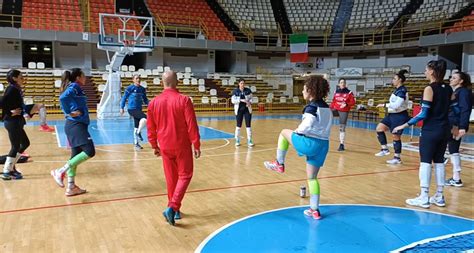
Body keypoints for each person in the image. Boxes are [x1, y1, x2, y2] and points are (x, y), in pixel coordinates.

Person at [264, 75, 332, 220]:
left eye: (304, 89)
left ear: (310, 90)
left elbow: (307, 125)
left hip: (311, 143)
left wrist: (297, 132)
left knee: (283, 133)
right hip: (323, 145)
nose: (302, 91)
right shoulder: (327, 107)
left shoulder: (311, 107)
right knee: (312, 178)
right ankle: (315, 210)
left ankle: (279, 163)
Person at [393, 60, 457, 208]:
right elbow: (456, 110)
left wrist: (404, 124)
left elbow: (423, 113)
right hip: (444, 130)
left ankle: (424, 196)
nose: (425, 72)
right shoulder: (449, 89)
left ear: (432, 72)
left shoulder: (429, 88)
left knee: (426, 162)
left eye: (426, 70)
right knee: (439, 162)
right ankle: (439, 196)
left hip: (431, 130)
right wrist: (456, 125)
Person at [147, 70, 201, 226]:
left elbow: (151, 127)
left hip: (164, 146)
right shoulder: (184, 100)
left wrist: (153, 145)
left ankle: (175, 210)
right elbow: (192, 125)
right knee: (185, 175)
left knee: (171, 178)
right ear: (177, 82)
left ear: (163, 83)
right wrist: (196, 144)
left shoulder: (153, 103)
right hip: (181, 145)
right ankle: (173, 207)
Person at [50, 68, 95, 196]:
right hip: (76, 125)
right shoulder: (75, 86)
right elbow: (63, 97)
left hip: (75, 125)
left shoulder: (76, 87)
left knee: (74, 156)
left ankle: (71, 187)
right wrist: (68, 113)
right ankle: (60, 171)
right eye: (84, 76)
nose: (85, 78)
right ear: (78, 77)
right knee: (90, 151)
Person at [374, 69, 410, 164]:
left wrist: (384, 105)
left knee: (396, 136)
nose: (392, 80)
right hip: (391, 115)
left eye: (394, 78)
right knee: (379, 129)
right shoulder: (397, 90)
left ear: (400, 80)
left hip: (399, 116)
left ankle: (397, 158)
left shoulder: (402, 91)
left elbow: (396, 105)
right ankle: (384, 149)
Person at [1, 69, 30, 180]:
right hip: (12, 122)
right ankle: (7, 171)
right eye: (21, 77)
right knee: (15, 146)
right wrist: (10, 112)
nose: (23, 78)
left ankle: (11, 167)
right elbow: (2, 102)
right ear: (14, 78)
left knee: (25, 143)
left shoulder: (16, 89)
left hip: (16, 121)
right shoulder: (11, 89)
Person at [445, 71, 472, 187]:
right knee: (453, 149)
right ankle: (456, 178)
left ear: (461, 81)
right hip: (451, 122)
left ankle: (455, 177)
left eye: (454, 78)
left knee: (452, 148)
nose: (451, 79)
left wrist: (462, 127)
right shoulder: (456, 91)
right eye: (451, 77)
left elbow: (465, 110)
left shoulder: (464, 92)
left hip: (455, 124)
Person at [120, 74, 149, 151]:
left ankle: (136, 144)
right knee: (145, 118)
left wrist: (151, 105)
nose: (138, 80)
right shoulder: (130, 88)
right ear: (133, 80)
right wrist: (122, 107)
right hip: (132, 109)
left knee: (136, 126)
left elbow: (145, 100)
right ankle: (138, 133)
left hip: (139, 109)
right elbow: (124, 98)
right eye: (136, 78)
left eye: (139, 78)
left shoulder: (142, 89)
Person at [330, 78, 356, 151]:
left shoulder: (349, 92)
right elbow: (333, 101)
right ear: (339, 84)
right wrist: (329, 108)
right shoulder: (336, 91)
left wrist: (347, 104)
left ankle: (341, 144)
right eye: (341, 82)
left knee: (342, 127)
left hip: (343, 110)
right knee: (326, 114)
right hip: (335, 109)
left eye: (344, 82)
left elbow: (353, 102)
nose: (343, 84)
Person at [231, 79, 254, 147]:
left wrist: (249, 102)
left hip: (247, 110)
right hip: (239, 110)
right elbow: (233, 101)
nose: (242, 84)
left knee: (248, 125)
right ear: (239, 84)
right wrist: (241, 100)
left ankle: (249, 140)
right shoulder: (235, 91)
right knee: (238, 125)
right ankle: (237, 140)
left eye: (243, 83)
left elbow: (252, 99)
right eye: (241, 83)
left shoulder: (248, 90)